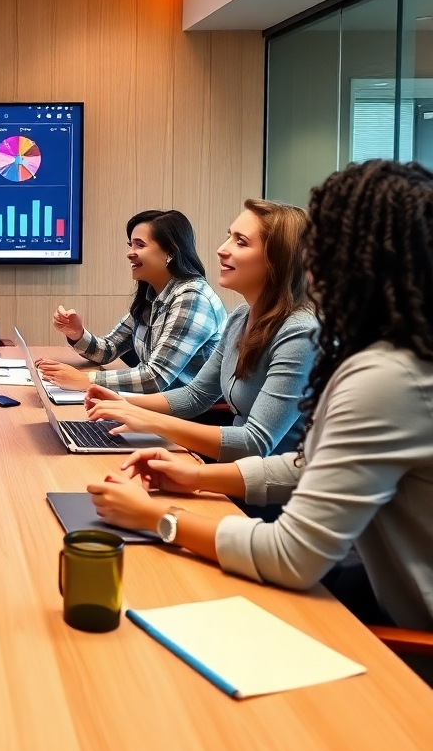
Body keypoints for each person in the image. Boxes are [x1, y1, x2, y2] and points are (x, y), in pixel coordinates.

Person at [86, 161, 433, 633]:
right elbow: (307, 464)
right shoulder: (388, 356)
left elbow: (291, 555)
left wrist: (156, 517)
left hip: (407, 636)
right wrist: (195, 478)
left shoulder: (384, 375)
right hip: (375, 583)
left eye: (325, 242)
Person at [86, 199, 317, 461]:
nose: (221, 249)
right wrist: (121, 403)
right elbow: (196, 395)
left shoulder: (301, 333)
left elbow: (254, 442)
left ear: (279, 259)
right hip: (239, 469)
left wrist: (147, 420)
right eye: (228, 237)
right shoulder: (241, 316)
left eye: (240, 242)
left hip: (272, 489)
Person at [37, 210, 226, 393]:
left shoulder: (192, 298)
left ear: (170, 252)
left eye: (140, 245)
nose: (130, 253)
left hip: (186, 418)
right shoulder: (153, 294)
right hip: (153, 406)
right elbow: (108, 350)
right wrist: (77, 334)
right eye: (130, 245)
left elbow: (155, 378)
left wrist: (85, 380)